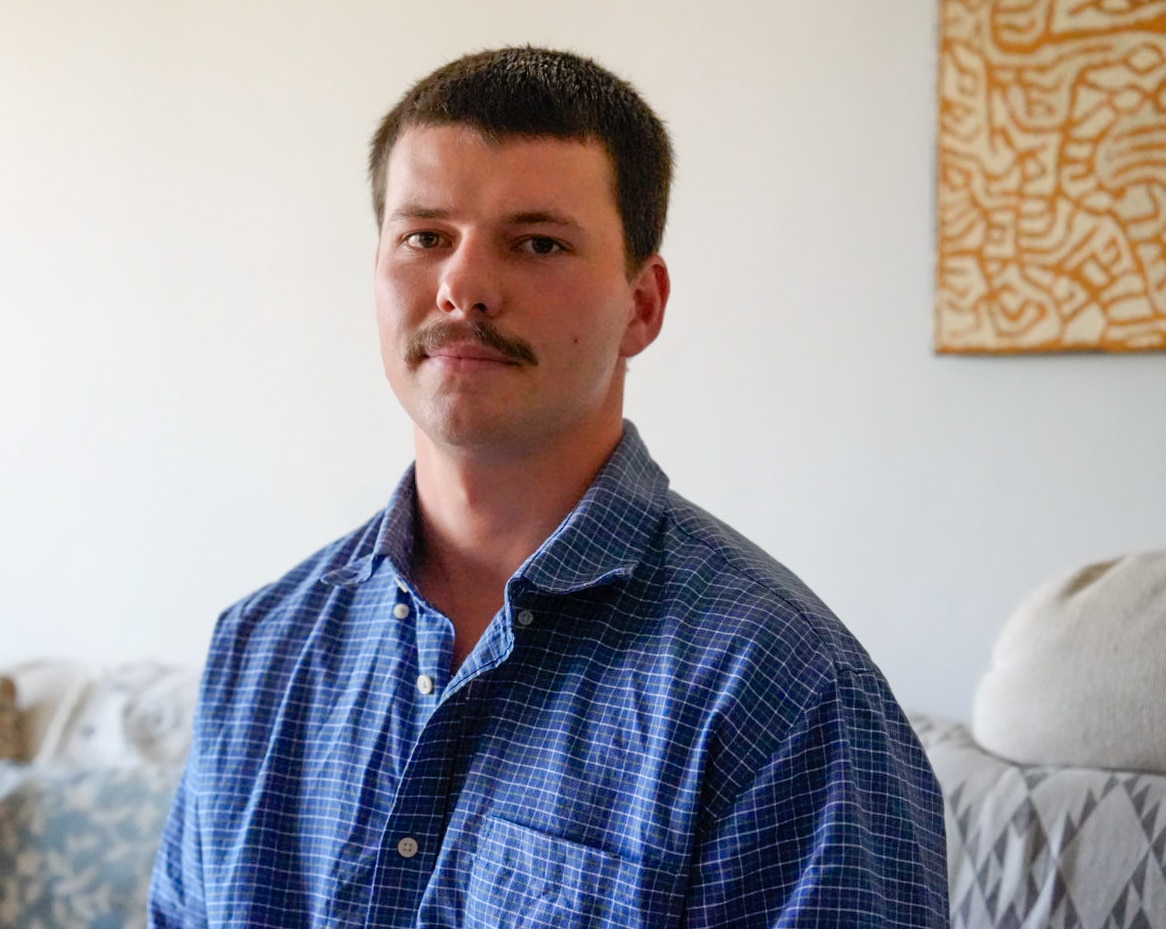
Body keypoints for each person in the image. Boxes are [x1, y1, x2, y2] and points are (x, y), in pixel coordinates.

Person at [149, 46, 948, 928]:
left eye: (538, 243)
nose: (463, 286)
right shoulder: (259, 648)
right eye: (424, 237)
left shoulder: (782, 690)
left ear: (642, 305)